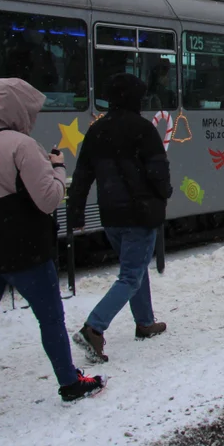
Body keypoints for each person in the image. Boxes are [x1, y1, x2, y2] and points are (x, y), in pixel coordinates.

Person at [0, 79, 104, 442]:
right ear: (18, 109)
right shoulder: (23, 145)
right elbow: (47, 199)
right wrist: (57, 168)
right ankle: (70, 382)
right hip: (21, 246)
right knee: (50, 318)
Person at [68, 73, 172, 364]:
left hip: (110, 214)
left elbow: (82, 176)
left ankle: (145, 322)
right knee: (131, 275)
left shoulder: (97, 130)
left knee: (134, 268)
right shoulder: (143, 129)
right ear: (134, 99)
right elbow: (157, 171)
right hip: (140, 213)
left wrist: (75, 212)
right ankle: (94, 328)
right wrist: (165, 193)